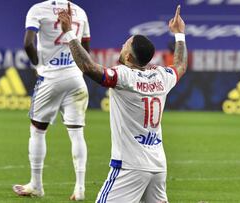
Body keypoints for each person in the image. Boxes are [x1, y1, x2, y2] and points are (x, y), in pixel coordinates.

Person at [58, 4, 187, 202]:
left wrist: (68, 33)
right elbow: (180, 65)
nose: (122, 46)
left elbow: (88, 67)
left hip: (129, 167)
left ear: (128, 57)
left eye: (125, 45)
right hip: (158, 166)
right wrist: (179, 34)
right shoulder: (162, 76)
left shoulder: (124, 77)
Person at [12, 0, 90, 200]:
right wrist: (76, 70)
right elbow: (85, 49)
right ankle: (80, 188)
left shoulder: (37, 10)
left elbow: (28, 43)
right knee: (77, 133)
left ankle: (36, 185)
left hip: (51, 77)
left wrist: (38, 65)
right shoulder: (80, 11)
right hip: (76, 79)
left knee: (37, 131)